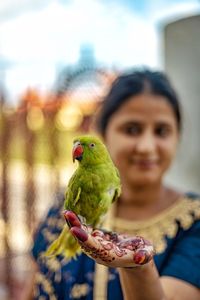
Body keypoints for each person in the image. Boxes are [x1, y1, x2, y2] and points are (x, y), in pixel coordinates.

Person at [29, 68, 200, 300]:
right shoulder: (67, 208)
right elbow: (34, 286)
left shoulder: (193, 222)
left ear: (176, 137)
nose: (147, 146)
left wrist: (136, 266)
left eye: (161, 131)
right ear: (103, 133)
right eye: (132, 129)